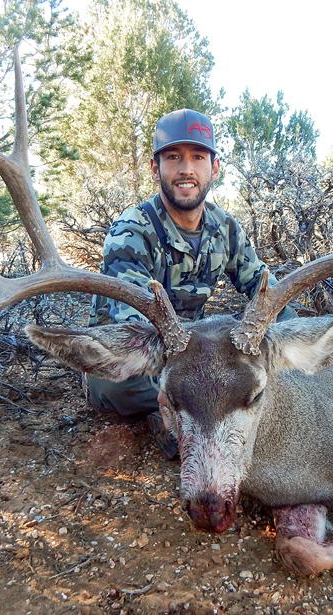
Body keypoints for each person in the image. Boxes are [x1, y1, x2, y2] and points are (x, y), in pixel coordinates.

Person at [87, 108, 296, 458]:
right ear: (156, 168)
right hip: (137, 349)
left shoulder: (226, 228)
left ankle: (183, 409)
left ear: (214, 168)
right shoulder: (131, 231)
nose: (186, 169)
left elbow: (265, 290)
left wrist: (292, 338)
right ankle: (167, 411)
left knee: (241, 368)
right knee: (116, 385)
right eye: (173, 157)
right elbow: (133, 327)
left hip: (192, 350)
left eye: (197, 157)